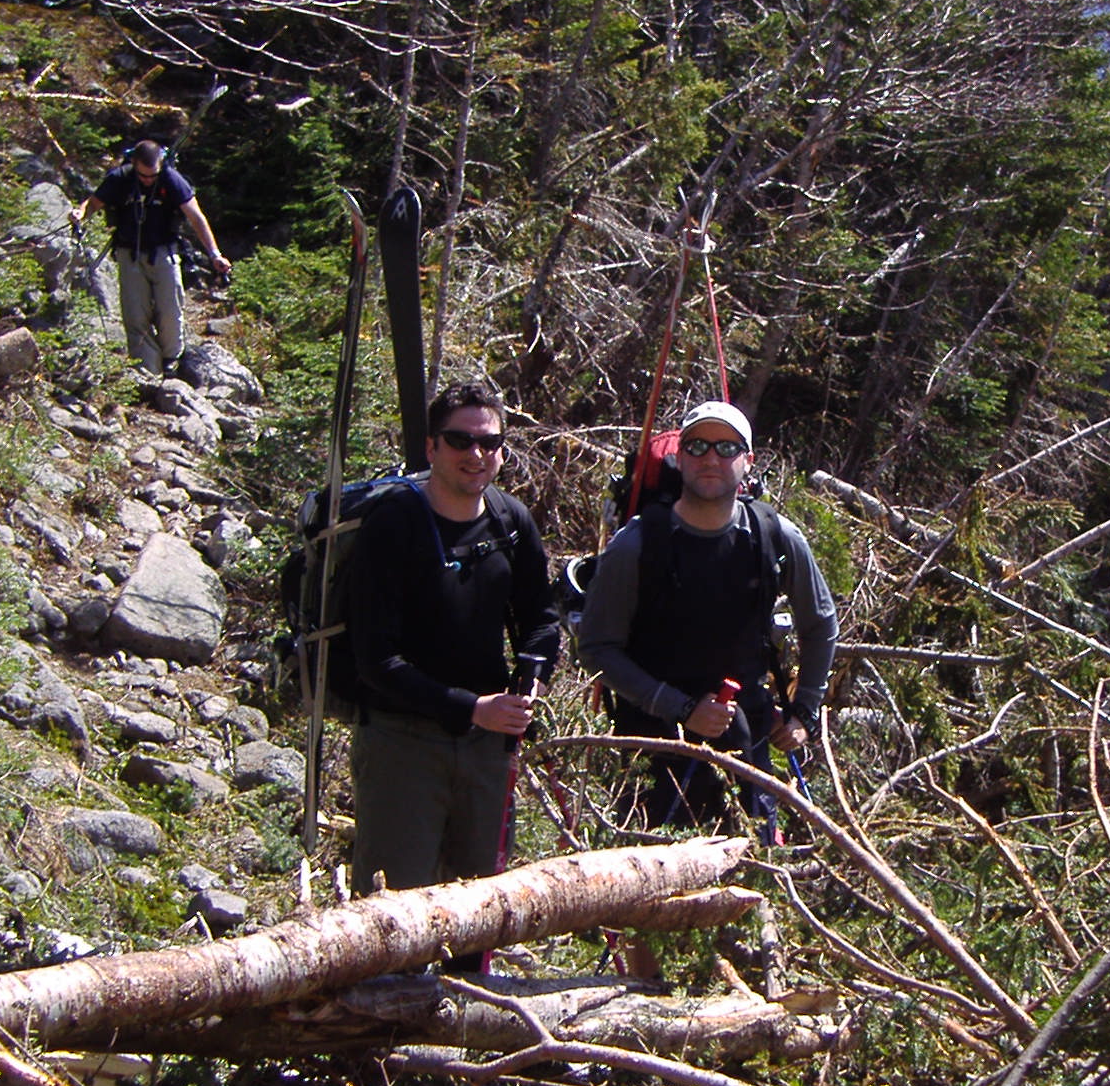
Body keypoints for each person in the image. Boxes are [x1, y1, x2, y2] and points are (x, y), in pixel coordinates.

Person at [578, 399, 837, 833]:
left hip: (747, 741)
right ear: (679, 457)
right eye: (697, 447)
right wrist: (680, 709)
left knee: (751, 871)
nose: (711, 458)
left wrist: (805, 713)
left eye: (727, 448)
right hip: (653, 745)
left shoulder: (772, 536)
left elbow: (821, 622)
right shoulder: (637, 544)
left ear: (747, 462)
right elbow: (597, 647)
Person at [347, 382, 560, 904]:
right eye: (460, 441)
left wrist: (531, 681)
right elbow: (377, 660)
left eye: (489, 443)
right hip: (403, 741)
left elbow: (542, 620)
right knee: (392, 910)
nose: (476, 455)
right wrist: (472, 708)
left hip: (488, 746)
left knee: (479, 906)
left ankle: (465, 988)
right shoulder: (392, 526)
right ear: (431, 447)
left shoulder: (511, 521)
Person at [70, 140, 229, 377]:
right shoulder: (120, 178)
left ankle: (171, 362)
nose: (148, 180)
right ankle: (147, 371)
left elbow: (196, 217)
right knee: (135, 314)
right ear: (134, 163)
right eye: (143, 176)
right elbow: (93, 203)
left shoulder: (171, 180)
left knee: (170, 310)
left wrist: (214, 254)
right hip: (128, 254)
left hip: (164, 252)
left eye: (152, 175)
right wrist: (80, 214)